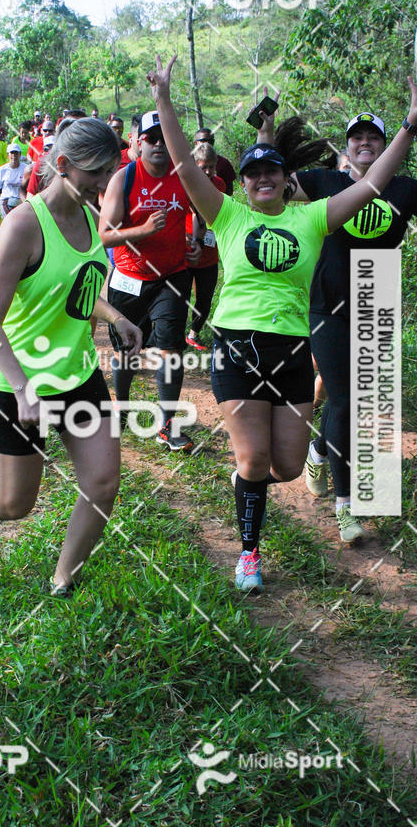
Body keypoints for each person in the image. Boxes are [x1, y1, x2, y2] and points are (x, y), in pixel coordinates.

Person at [147, 54, 417, 591]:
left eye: (271, 170)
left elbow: (373, 184)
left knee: (288, 467)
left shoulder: (312, 216)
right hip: (238, 347)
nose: (263, 178)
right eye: (254, 172)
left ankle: (252, 477)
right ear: (243, 182)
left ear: (283, 178)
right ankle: (249, 554)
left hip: (293, 351)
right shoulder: (226, 214)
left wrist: (409, 126)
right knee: (254, 458)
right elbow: (182, 165)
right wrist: (163, 100)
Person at [0, 118, 142, 591]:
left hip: (78, 376)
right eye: (97, 172)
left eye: (112, 170)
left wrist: (115, 316)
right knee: (15, 503)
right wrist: (24, 390)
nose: (106, 183)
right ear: (62, 165)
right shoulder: (23, 224)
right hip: (17, 384)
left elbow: (73, 290)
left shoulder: (90, 216)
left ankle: (65, 578)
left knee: (102, 483)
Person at [258, 107, 417, 540]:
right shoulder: (324, 182)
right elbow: (273, 189)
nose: (365, 143)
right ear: (346, 145)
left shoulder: (405, 189)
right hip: (325, 303)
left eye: (373, 137)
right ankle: (348, 508)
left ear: (386, 146)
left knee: (366, 404)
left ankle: (318, 451)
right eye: (357, 137)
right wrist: (268, 137)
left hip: (377, 298)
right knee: (345, 398)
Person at [99, 109, 203, 452]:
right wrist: (142, 231)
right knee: (128, 351)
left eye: (164, 138)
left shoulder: (184, 177)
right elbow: (104, 235)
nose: (159, 144)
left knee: (171, 351)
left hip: (172, 277)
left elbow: (198, 213)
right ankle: (123, 403)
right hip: (129, 278)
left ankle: (168, 425)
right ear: (138, 143)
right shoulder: (124, 178)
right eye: (151, 139)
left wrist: (196, 243)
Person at [185, 143, 225, 352]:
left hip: (209, 253)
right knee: (180, 295)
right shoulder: (184, 184)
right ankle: (172, 334)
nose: (208, 172)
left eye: (212, 167)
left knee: (205, 298)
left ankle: (193, 334)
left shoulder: (219, 184)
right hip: (185, 251)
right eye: (203, 168)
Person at [194, 127, 236, 195]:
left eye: (210, 141)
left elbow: (229, 191)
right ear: (196, 143)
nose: (207, 143)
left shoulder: (224, 163)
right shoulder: (189, 164)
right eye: (203, 140)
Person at [0, 145, 27, 216]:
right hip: (6, 200)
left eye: (16, 153)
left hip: (21, 201)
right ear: (8, 155)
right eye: (12, 153)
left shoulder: (26, 168)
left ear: (20, 155)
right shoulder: (2, 169)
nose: (14, 156)